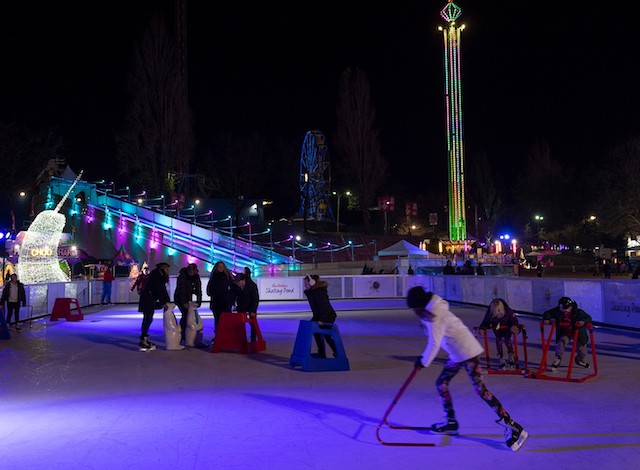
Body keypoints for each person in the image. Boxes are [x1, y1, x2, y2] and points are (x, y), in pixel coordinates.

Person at [406, 286, 528, 452]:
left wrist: (423, 361)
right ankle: (450, 422)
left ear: (419, 305)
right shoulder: (431, 309)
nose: (414, 312)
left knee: (481, 391)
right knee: (441, 384)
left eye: (414, 308)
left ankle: (513, 426)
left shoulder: (434, 314)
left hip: (467, 352)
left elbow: (434, 342)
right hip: (457, 353)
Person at [542, 296, 593, 370]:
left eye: (566, 309)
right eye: (562, 309)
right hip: (566, 332)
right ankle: (558, 358)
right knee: (561, 342)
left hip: (578, 333)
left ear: (571, 307)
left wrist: (583, 321)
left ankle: (580, 360)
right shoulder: (558, 310)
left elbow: (588, 317)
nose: (564, 311)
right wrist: (546, 318)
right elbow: (548, 313)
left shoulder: (578, 312)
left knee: (582, 351)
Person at [478, 298, 521, 369]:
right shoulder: (490, 312)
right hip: (497, 330)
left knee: (508, 342)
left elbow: (514, 320)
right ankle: (501, 360)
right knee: (498, 342)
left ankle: (512, 359)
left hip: (507, 329)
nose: (497, 313)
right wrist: (482, 328)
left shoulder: (508, 311)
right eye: (495, 311)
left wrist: (514, 326)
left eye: (498, 310)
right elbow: (485, 322)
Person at [137, 262, 171, 351]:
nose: (168, 271)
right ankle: (143, 340)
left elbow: (163, 289)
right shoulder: (156, 276)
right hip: (148, 299)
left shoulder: (158, 275)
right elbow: (159, 290)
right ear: (162, 269)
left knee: (148, 318)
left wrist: (167, 301)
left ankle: (144, 338)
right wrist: (164, 302)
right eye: (166, 269)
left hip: (149, 298)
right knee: (147, 318)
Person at [303, 274, 337, 358]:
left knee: (327, 335)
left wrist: (322, 320)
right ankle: (322, 352)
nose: (304, 285)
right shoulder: (314, 292)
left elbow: (324, 307)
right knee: (316, 332)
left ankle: (336, 352)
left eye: (306, 283)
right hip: (319, 315)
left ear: (311, 283)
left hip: (327, 316)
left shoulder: (319, 293)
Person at [207, 261, 234, 340]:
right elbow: (209, 290)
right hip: (216, 303)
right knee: (218, 320)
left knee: (226, 320)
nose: (221, 268)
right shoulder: (213, 277)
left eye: (222, 266)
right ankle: (218, 336)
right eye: (219, 266)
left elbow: (233, 287)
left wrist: (230, 299)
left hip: (225, 303)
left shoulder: (227, 276)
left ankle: (227, 336)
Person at [174, 263, 202, 338]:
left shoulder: (196, 276)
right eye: (191, 271)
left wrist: (199, 301)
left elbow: (198, 289)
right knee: (185, 314)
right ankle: (182, 333)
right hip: (179, 298)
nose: (192, 273)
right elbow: (181, 290)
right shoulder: (182, 276)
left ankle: (185, 332)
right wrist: (184, 302)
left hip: (188, 297)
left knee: (188, 314)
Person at [232, 272, 260, 341]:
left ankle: (253, 340)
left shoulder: (252, 286)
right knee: (240, 324)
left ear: (243, 280)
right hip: (241, 307)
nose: (237, 284)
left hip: (250, 307)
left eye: (239, 282)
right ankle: (242, 339)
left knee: (253, 324)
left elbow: (255, 299)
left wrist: (253, 310)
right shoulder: (237, 287)